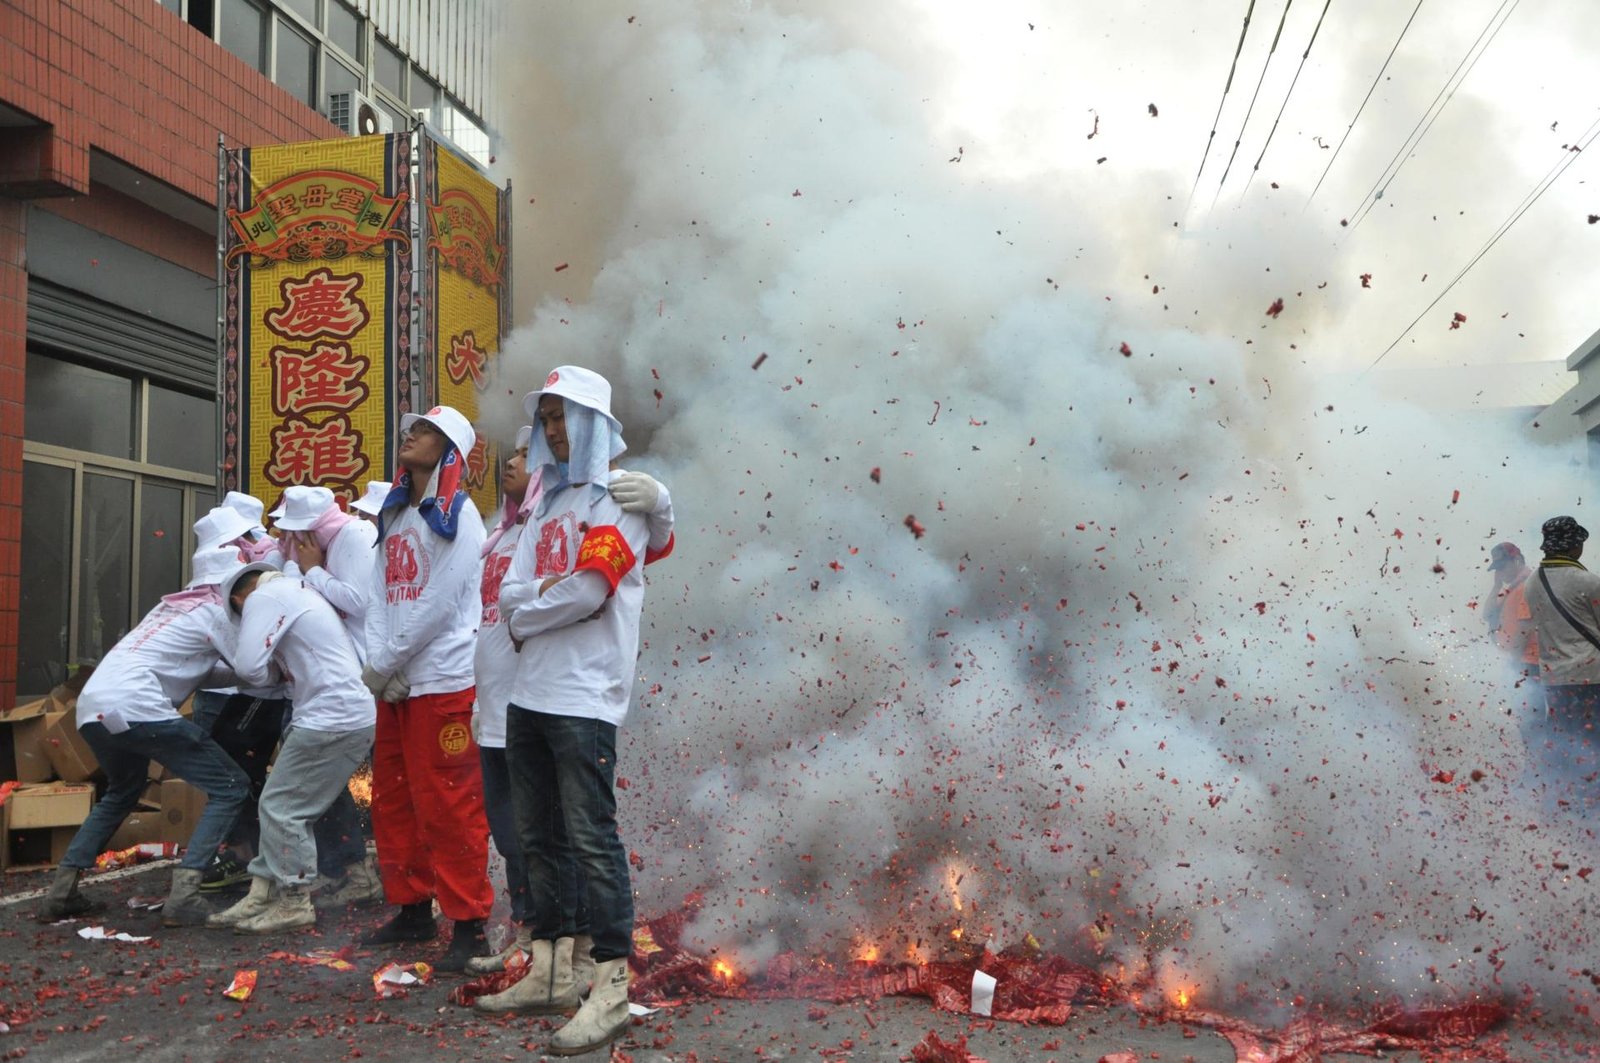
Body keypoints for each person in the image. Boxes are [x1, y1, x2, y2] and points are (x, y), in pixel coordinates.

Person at [473, 366, 662, 1055]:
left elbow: (587, 592)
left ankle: (610, 985)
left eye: (563, 416)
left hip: (584, 697)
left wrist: (533, 604)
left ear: (595, 422)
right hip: (527, 695)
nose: (553, 430)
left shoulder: (622, 497)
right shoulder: (547, 503)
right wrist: (537, 599)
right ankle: (551, 972)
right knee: (539, 839)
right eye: (546, 417)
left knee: (593, 840)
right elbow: (511, 594)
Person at [39, 546, 254, 926]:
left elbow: (204, 672)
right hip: (140, 708)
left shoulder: (168, 611)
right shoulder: (215, 612)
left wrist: (239, 676)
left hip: (93, 710)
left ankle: (61, 890)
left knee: (123, 790)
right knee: (231, 785)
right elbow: (252, 667)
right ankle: (185, 894)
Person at [362, 405, 493, 972]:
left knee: (448, 803)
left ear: (448, 452)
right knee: (393, 797)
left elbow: (439, 604)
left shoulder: (461, 518)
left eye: (425, 431)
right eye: (412, 428)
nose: (409, 434)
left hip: (441, 681)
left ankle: (470, 926)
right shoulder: (393, 519)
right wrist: (379, 665)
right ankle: (413, 908)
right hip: (396, 685)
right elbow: (375, 595)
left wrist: (387, 663)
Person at [207, 563, 377, 934]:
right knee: (278, 802)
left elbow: (250, 667)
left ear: (239, 599)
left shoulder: (262, 598)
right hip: (338, 713)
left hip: (330, 716)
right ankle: (262, 892)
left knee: (281, 807)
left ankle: (292, 901)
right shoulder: (295, 591)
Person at [272, 485, 384, 907]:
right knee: (330, 784)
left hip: (366, 678)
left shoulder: (351, 537)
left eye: (297, 534)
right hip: (345, 680)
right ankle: (351, 869)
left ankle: (371, 874)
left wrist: (314, 570)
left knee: (364, 783)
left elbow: (360, 601)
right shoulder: (321, 546)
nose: (291, 542)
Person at [187, 500, 291, 893]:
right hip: (237, 688)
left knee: (240, 774)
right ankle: (246, 853)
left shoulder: (264, 564)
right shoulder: (253, 558)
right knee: (237, 772)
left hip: (257, 691)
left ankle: (254, 855)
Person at [1520, 516, 1600, 821]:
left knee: (1567, 741)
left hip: (1554, 681)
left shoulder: (1532, 582)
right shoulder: (1588, 582)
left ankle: (1563, 807)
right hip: (1592, 678)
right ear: (1575, 545)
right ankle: (1591, 810)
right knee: (1594, 743)